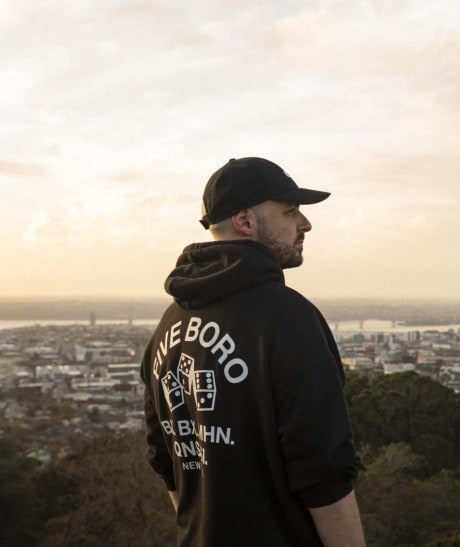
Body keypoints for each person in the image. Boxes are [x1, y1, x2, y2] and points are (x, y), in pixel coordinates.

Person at [141, 157, 365, 546]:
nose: (305, 224)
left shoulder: (168, 325)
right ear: (245, 221)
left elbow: (167, 460)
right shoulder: (288, 319)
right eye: (290, 211)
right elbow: (323, 470)